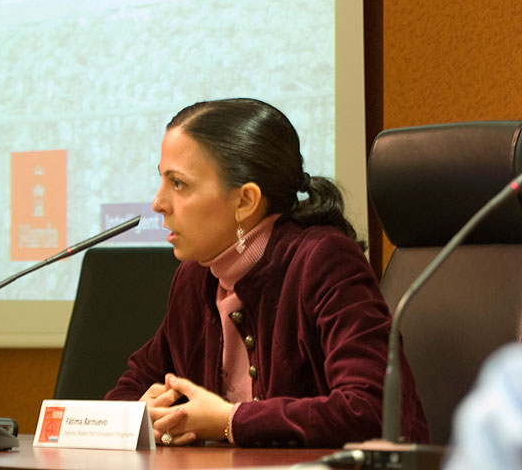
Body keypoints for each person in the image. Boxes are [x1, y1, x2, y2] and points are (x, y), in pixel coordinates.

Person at [105, 98, 429, 448]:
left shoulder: (323, 260)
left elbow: (373, 410)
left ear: (245, 201)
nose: (158, 203)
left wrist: (230, 421)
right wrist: (142, 414)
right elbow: (128, 390)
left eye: (178, 184)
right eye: (162, 180)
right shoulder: (194, 277)